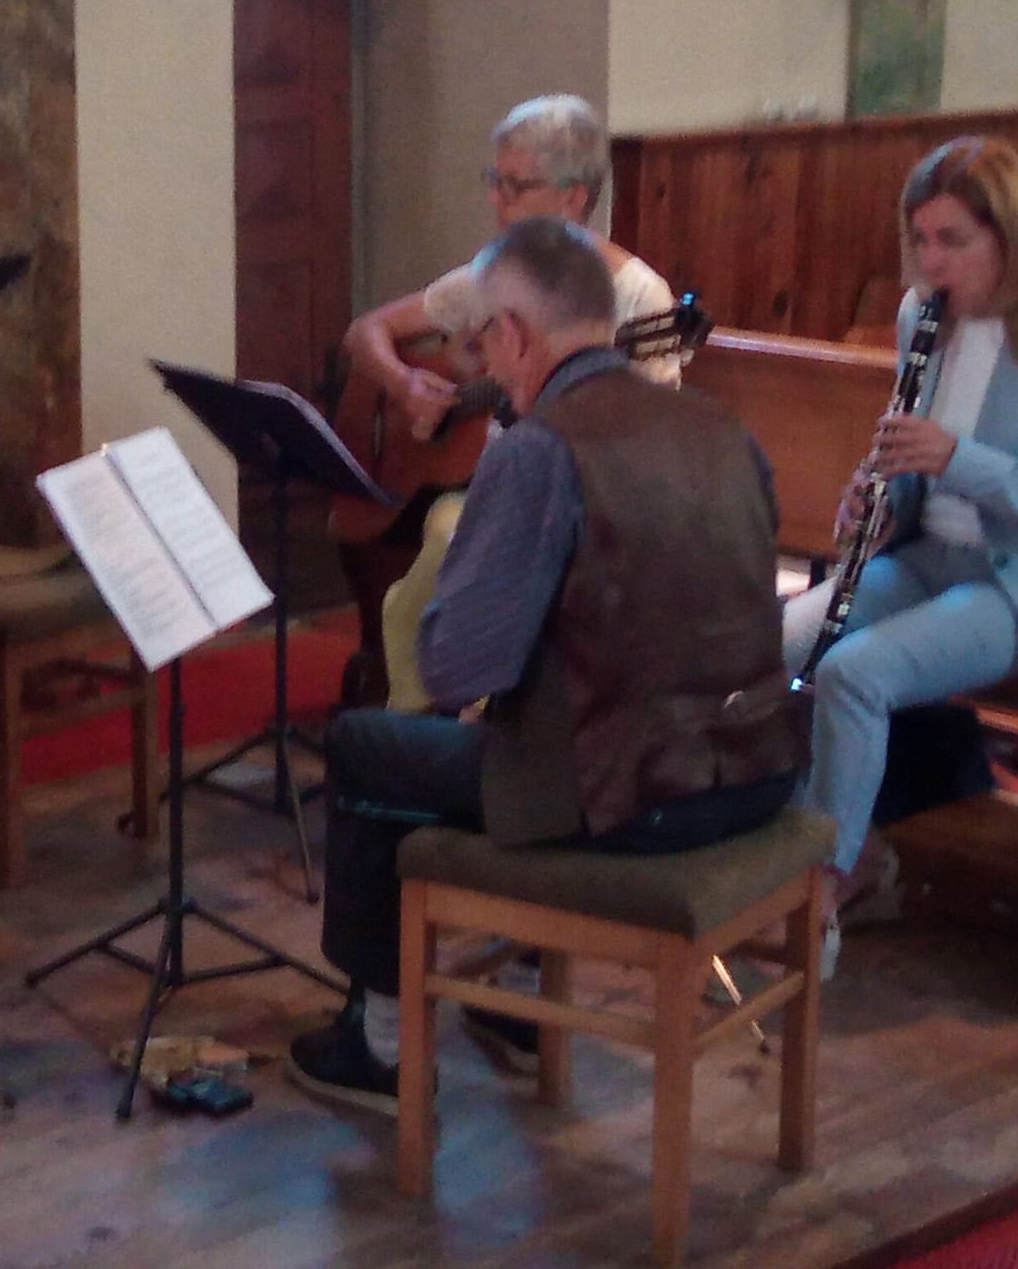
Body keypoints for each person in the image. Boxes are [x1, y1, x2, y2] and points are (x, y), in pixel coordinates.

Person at [287, 216, 805, 1116]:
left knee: (368, 747)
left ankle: (381, 1047)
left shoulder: (537, 450)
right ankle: (516, 998)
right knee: (512, 736)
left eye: (482, 341)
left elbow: (456, 668)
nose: (480, 362)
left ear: (517, 336)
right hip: (760, 769)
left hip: (639, 798)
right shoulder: (720, 428)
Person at [788, 137, 1018, 924]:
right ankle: (854, 855)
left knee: (855, 673)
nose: (932, 262)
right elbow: (912, 462)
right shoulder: (922, 316)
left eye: (954, 240)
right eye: (921, 240)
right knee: (782, 646)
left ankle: (821, 891)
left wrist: (954, 459)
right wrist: (878, 503)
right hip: (931, 559)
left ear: (1013, 238)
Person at [333, 93, 680, 704]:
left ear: (573, 198)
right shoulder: (492, 274)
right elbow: (366, 333)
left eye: (515, 186)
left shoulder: (637, 297)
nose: (496, 200)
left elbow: (648, 441)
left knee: (441, 555)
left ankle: (448, 720)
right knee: (415, 581)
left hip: (578, 506)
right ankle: (428, 723)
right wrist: (405, 386)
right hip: (494, 483)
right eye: (494, 181)